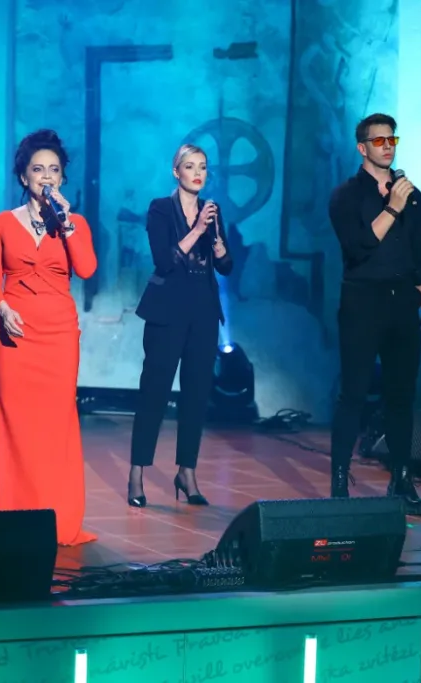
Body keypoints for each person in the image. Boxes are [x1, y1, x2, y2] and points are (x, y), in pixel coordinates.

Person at [0, 129, 97, 546]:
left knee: (55, 424)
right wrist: (3, 307)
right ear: (23, 176)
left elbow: (86, 269)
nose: (46, 176)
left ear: (62, 178)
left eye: (54, 170)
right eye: (38, 169)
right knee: (17, 423)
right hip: (15, 337)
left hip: (58, 335)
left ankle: (57, 518)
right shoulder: (3, 222)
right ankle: (14, 517)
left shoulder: (74, 223)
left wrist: (65, 223)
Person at [327, 113, 421, 516]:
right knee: (354, 394)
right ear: (362, 148)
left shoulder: (411, 194)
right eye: (379, 141)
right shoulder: (345, 196)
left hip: (402, 303)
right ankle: (339, 482)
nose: (388, 146)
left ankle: (402, 480)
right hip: (362, 302)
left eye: (392, 139)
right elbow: (358, 247)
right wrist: (392, 207)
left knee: (401, 396)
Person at [127, 144, 233, 508]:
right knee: (154, 392)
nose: (198, 173)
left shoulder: (212, 211)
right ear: (177, 172)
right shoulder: (160, 208)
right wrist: (197, 229)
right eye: (190, 166)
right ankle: (137, 472)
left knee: (197, 394)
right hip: (167, 310)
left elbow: (226, 266)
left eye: (203, 166)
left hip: (203, 311)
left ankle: (187, 472)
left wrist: (218, 245)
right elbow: (165, 261)